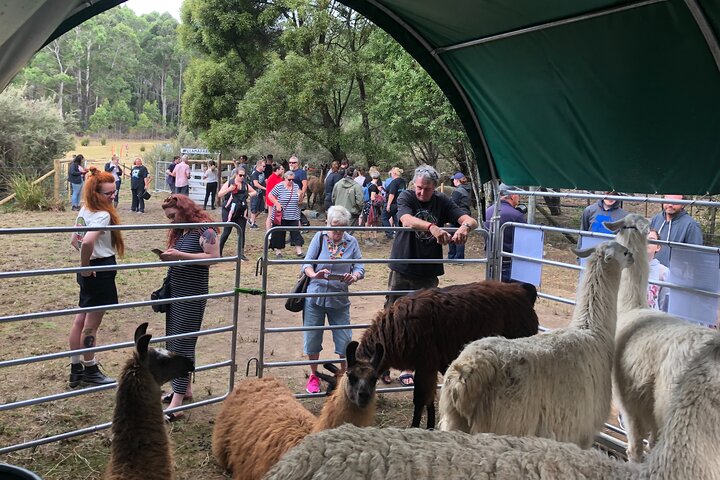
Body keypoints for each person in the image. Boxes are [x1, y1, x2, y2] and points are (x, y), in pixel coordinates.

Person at [386, 164, 478, 385]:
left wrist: (465, 227)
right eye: (419, 187)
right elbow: (406, 220)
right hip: (403, 265)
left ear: (434, 188)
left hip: (428, 271)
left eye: (426, 189)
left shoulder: (442, 201)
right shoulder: (406, 196)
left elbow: (470, 219)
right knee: (392, 315)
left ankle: (409, 367)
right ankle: (385, 363)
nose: (421, 192)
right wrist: (432, 227)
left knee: (422, 319)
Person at [158, 194, 220, 419]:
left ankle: (177, 403)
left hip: (192, 293)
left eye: (173, 216)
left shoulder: (205, 230)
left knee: (183, 343)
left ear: (184, 210)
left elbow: (213, 257)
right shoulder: (181, 230)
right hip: (177, 291)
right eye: (169, 218)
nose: (172, 221)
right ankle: (183, 390)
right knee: (174, 340)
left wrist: (180, 255)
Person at [68, 166, 124, 387]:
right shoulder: (102, 215)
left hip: (90, 269)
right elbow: (88, 241)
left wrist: (84, 263)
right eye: (108, 193)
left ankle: (76, 369)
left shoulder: (84, 210)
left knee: (80, 319)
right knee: (91, 324)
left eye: (114, 191)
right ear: (95, 193)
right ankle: (90, 369)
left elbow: (75, 239)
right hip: (99, 269)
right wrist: (86, 264)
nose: (113, 196)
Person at [301, 205, 365, 393]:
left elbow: (360, 266)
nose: (337, 232)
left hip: (339, 299)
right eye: (334, 226)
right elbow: (306, 263)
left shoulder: (352, 242)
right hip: (316, 297)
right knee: (312, 338)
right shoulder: (319, 238)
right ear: (327, 223)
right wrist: (314, 275)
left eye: (342, 227)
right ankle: (314, 376)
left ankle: (343, 378)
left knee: (344, 340)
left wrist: (354, 276)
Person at [484, 183, 527, 282]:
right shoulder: (516, 215)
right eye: (518, 195)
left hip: (491, 261)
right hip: (510, 264)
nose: (519, 198)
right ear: (513, 195)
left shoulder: (488, 211)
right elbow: (525, 240)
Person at [649, 194, 704, 267]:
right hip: (654, 270)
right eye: (667, 201)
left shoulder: (691, 225)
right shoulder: (656, 219)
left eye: (675, 202)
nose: (670, 204)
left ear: (683, 204)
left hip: (675, 275)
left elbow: (695, 256)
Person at [218, 167, 258, 259]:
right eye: (240, 175)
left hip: (241, 211)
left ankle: (241, 253)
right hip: (229, 210)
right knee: (227, 231)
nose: (242, 177)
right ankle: (219, 252)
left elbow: (254, 192)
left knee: (241, 232)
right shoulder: (229, 183)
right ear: (236, 174)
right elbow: (220, 194)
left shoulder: (245, 185)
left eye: (244, 175)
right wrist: (229, 189)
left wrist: (248, 195)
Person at [268, 170, 304, 257]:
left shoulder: (296, 186)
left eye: (292, 179)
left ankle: (299, 251)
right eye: (289, 180)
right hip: (281, 215)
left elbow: (300, 198)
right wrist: (277, 204)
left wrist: (300, 198)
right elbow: (270, 195)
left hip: (293, 214)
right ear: (285, 178)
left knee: (296, 233)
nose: (291, 181)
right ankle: (278, 252)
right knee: (279, 233)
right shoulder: (279, 186)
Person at [448, 172, 473, 261]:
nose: (453, 181)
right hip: (465, 214)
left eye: (453, 179)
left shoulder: (458, 191)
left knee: (454, 236)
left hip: (458, 216)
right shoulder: (467, 189)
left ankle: (456, 258)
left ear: (457, 180)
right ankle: (456, 258)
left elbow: (452, 204)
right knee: (459, 236)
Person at [647, 228, 669, 311]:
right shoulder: (626, 268)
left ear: (658, 247)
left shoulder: (663, 272)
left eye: (651, 240)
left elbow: (663, 304)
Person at [384, 167, 406, 239]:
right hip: (399, 203)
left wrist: (388, 205)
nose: (391, 175)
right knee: (396, 219)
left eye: (391, 174)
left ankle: (390, 233)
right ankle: (399, 233)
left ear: (394, 173)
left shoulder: (394, 182)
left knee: (384, 217)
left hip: (393, 203)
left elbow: (392, 194)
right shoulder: (403, 181)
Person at [363, 171, 384, 246]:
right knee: (372, 222)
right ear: (378, 177)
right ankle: (371, 239)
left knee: (368, 222)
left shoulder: (369, 184)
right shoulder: (374, 187)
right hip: (372, 206)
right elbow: (372, 197)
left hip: (367, 205)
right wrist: (380, 196)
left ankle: (369, 238)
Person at [264, 163, 285, 230]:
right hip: (272, 199)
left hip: (276, 199)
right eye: (281, 169)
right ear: (277, 170)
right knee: (270, 215)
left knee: (274, 216)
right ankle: (268, 231)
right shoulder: (272, 178)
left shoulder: (278, 178)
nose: (282, 171)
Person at [249, 160, 266, 229]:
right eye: (263, 166)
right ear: (259, 166)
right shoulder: (255, 174)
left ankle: (251, 220)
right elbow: (256, 184)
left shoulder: (262, 173)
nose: (265, 167)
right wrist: (265, 188)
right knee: (254, 208)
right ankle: (252, 224)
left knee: (261, 208)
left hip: (260, 193)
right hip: (255, 193)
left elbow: (264, 181)